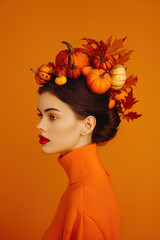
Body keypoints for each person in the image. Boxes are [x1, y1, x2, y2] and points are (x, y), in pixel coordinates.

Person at [36, 74, 121, 240]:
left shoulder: (84, 202)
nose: (39, 126)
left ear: (87, 125)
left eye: (52, 116)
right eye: (41, 115)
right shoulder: (87, 184)